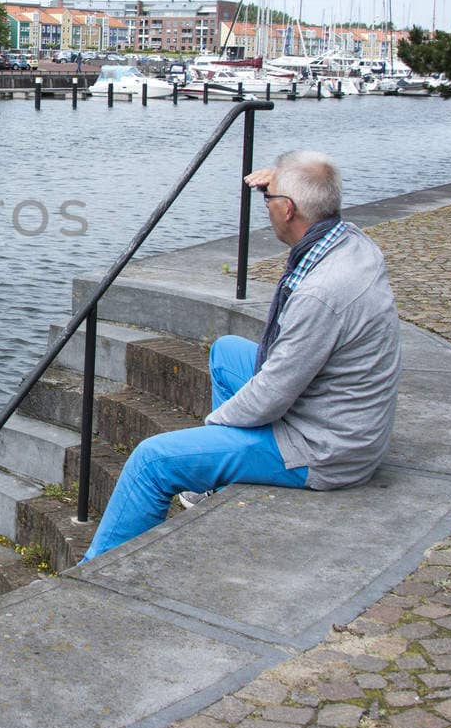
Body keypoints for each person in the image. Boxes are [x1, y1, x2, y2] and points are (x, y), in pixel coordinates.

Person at [81, 149, 401, 562]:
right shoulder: (348, 240)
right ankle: (217, 480)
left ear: (287, 210)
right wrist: (282, 180)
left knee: (152, 460)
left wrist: (215, 428)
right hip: (340, 413)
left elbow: (274, 393)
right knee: (226, 352)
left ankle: (95, 574)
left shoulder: (322, 293)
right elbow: (314, 188)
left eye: (270, 202)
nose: (265, 210)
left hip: (325, 448)